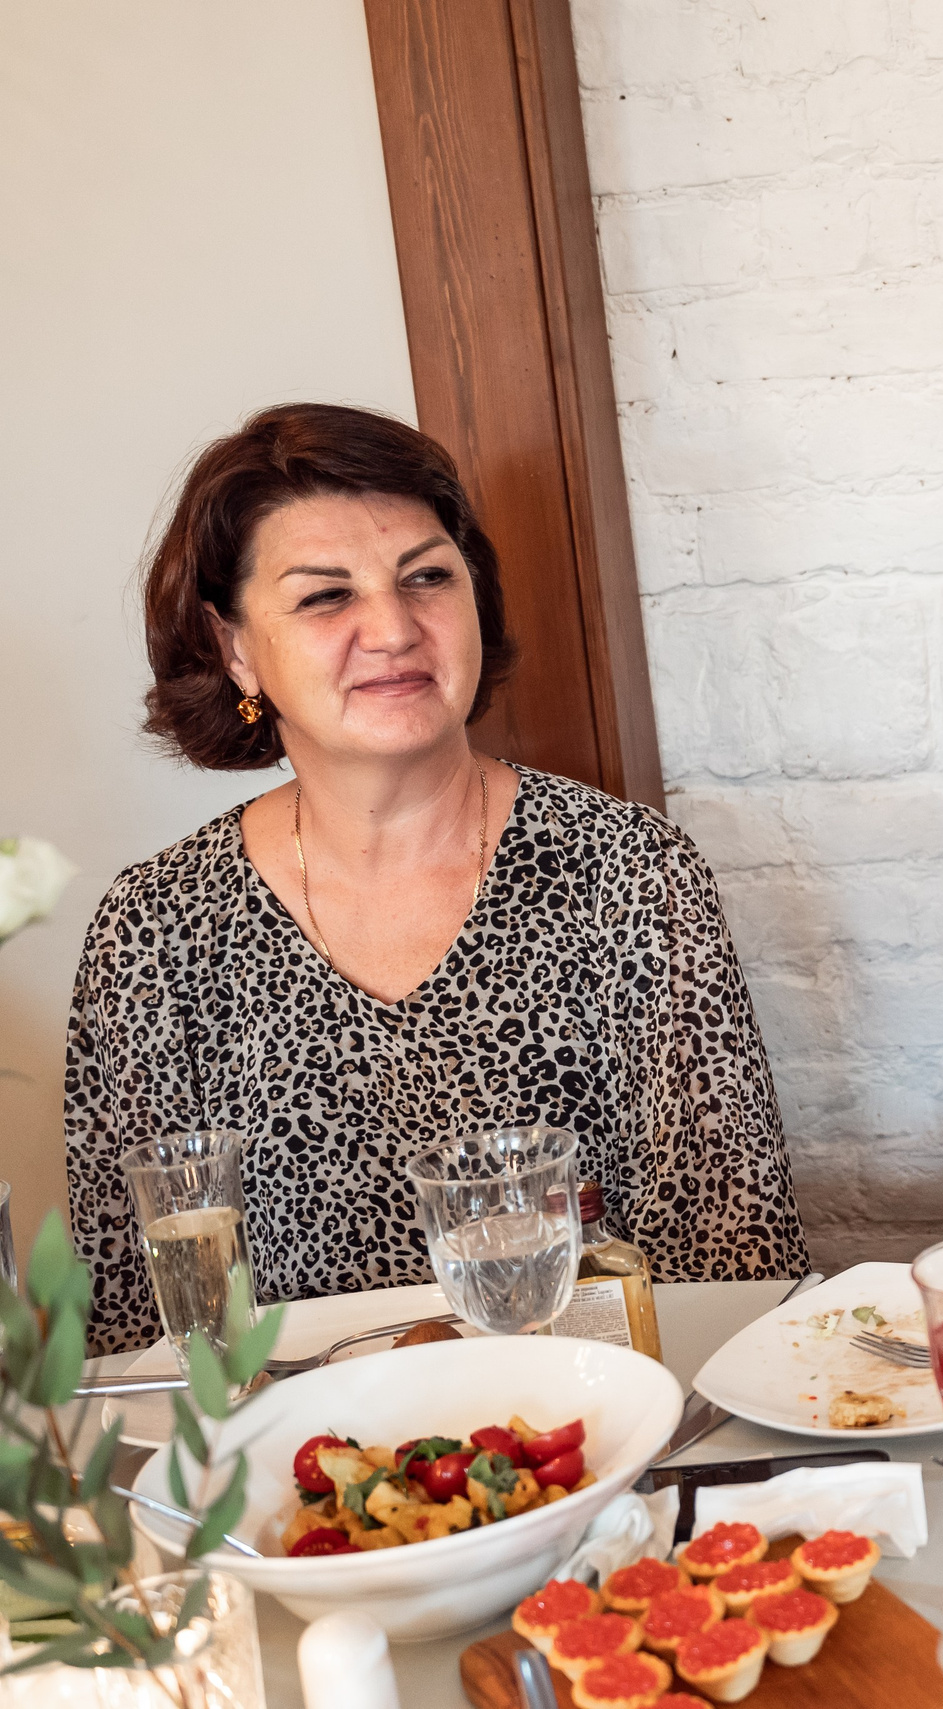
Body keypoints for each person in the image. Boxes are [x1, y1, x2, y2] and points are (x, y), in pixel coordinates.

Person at [64, 403, 806, 1353]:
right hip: (294, 1446)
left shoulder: (630, 872)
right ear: (234, 646)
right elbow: (132, 1335)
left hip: (589, 1429)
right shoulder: (155, 930)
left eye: (426, 577)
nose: (392, 628)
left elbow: (739, 1279)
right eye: (325, 596)